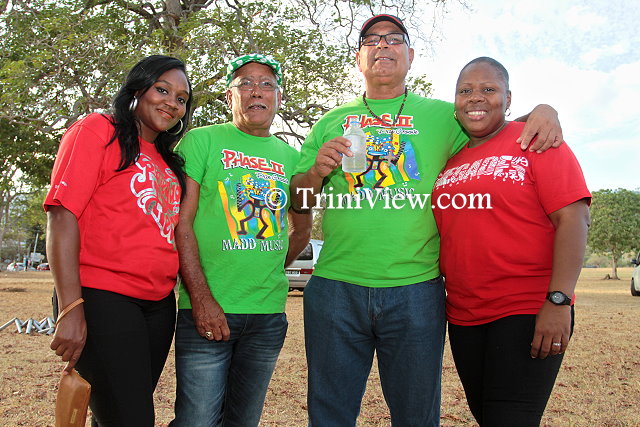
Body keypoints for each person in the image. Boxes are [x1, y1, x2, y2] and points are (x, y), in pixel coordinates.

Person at [290, 14, 563, 426]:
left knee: (417, 415)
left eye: (395, 39)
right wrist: (316, 173)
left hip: (416, 290)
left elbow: (492, 126)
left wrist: (543, 110)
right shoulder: (331, 120)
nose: (383, 46)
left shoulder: (442, 116)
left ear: (411, 56)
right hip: (335, 288)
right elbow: (298, 201)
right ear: (358, 58)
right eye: (372, 40)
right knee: (329, 412)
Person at [432, 57, 590, 426]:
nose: (476, 98)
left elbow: (574, 218)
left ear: (508, 98)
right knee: (487, 415)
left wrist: (559, 300)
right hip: (464, 315)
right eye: (465, 91)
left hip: (526, 309)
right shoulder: (451, 159)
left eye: (489, 89)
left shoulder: (536, 141)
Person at [45, 55, 192, 426]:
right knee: (132, 419)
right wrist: (71, 307)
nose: (171, 103)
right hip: (101, 297)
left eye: (181, 98)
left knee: (119, 412)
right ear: (137, 89)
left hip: (158, 306)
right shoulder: (99, 129)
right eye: (162, 90)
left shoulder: (168, 161)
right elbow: (62, 215)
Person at [170, 54, 311, 427]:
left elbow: (303, 229)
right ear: (229, 96)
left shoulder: (295, 159)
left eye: (267, 84)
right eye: (245, 83)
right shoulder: (199, 141)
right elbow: (181, 224)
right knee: (196, 421)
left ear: (278, 98)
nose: (256, 92)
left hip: (267, 317)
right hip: (207, 308)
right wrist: (201, 298)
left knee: (243, 421)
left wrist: (267, 268)